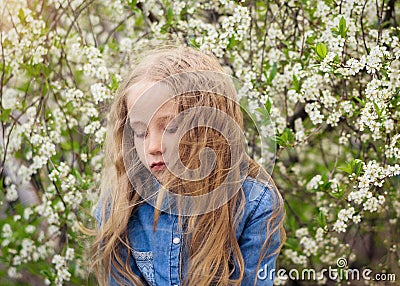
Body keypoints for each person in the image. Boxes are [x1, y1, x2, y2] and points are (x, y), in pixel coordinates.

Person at [92, 45, 285, 286]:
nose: (153, 146)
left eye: (171, 127)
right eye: (140, 132)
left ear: (209, 127)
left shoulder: (254, 205)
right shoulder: (119, 207)